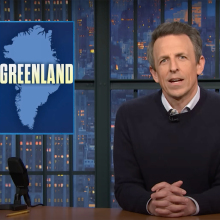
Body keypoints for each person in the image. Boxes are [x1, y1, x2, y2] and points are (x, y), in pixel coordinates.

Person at [113, 21, 220, 218]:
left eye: (182, 57)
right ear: (154, 73)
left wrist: (192, 205)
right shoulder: (129, 115)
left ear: (199, 65)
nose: (173, 68)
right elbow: (124, 186)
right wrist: (152, 204)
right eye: (163, 60)